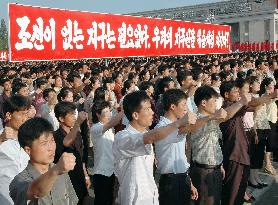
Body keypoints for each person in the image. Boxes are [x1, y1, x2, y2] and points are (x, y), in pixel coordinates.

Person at [113, 91, 196, 205]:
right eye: (147, 109)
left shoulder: (148, 134)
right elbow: (148, 137)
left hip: (150, 196)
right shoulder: (123, 137)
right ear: (135, 115)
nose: (152, 112)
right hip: (134, 199)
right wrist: (179, 123)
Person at [9, 117, 78, 205]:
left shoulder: (61, 172)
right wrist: (56, 170)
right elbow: (35, 191)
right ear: (28, 150)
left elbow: (72, 201)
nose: (51, 148)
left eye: (52, 140)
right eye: (44, 143)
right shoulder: (19, 181)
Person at [154, 89, 198, 205]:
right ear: (173, 106)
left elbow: (181, 157)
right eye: (183, 105)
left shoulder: (179, 126)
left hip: (183, 178)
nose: (185, 108)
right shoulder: (161, 127)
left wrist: (190, 182)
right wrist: (208, 118)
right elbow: (183, 131)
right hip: (170, 182)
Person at [219, 81, 252, 205]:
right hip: (234, 154)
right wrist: (242, 101)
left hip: (241, 153)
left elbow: (253, 105)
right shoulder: (226, 108)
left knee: (239, 190)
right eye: (235, 92)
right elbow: (228, 114)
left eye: (239, 91)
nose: (238, 94)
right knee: (232, 192)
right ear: (226, 94)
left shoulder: (236, 105)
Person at [54, 101, 90, 204]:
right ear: (61, 118)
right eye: (71, 115)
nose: (75, 117)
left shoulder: (77, 134)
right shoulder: (56, 136)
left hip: (79, 177)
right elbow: (66, 142)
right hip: (66, 182)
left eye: (75, 114)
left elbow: (81, 156)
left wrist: (86, 175)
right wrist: (78, 123)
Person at [0, 95, 31, 205]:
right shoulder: (1, 136)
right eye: (22, 114)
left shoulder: (28, 139)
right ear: (9, 115)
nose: (26, 118)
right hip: (5, 198)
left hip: (27, 197)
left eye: (27, 114)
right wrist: (1, 139)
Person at [91, 101, 123, 205]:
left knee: (110, 199)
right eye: (105, 112)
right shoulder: (96, 128)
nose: (109, 114)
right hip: (101, 172)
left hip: (111, 171)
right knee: (101, 201)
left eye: (109, 111)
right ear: (97, 114)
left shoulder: (109, 129)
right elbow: (111, 123)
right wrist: (124, 110)